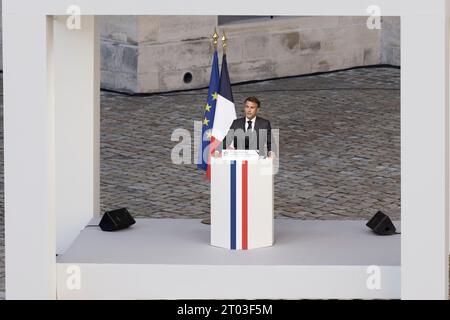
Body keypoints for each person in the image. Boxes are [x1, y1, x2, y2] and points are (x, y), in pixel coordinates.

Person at [201, 96, 275, 225]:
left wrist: (271, 152)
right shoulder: (237, 123)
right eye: (247, 107)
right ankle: (233, 216)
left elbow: (269, 141)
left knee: (253, 190)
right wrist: (218, 151)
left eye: (252, 108)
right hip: (238, 159)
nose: (249, 110)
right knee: (236, 190)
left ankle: (253, 216)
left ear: (258, 109)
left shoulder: (264, 123)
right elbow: (227, 140)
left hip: (255, 161)